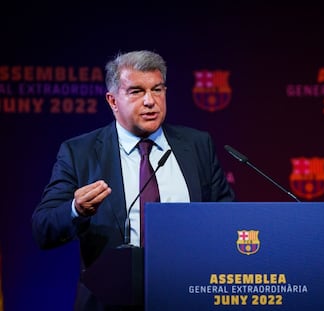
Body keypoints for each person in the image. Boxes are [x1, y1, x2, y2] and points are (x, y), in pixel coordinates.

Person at [31, 50, 236, 311]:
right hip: (111, 303)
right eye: (137, 91)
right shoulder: (79, 152)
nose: (150, 101)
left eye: (157, 89)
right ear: (113, 101)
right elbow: (43, 228)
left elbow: (227, 219)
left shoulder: (197, 145)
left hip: (188, 297)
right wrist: (76, 209)